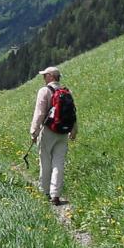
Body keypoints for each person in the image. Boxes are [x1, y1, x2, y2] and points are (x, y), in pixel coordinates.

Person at [29, 66, 78, 205]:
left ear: (51, 76)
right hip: (63, 132)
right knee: (59, 162)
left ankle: (44, 191)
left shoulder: (45, 91)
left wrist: (34, 131)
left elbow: (39, 113)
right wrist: (74, 130)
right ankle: (55, 194)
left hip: (48, 131)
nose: (43, 78)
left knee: (45, 161)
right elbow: (73, 112)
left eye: (45, 75)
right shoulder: (67, 92)